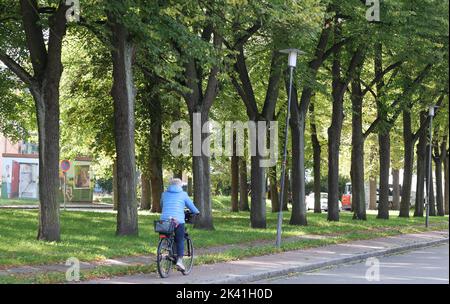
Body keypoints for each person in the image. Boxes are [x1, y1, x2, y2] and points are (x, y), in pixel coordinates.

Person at [160, 178, 199, 271]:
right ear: (180, 186)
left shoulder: (164, 194)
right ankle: (179, 261)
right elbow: (191, 206)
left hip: (164, 220)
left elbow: (162, 205)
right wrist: (196, 212)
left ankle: (165, 246)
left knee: (165, 235)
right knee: (180, 239)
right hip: (178, 220)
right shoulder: (183, 194)